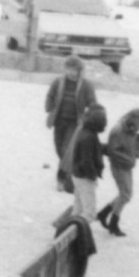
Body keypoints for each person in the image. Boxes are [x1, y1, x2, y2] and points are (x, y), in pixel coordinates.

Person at [44, 57, 97, 192]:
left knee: (66, 150)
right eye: (69, 69)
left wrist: (90, 115)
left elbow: (92, 103)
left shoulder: (86, 85)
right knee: (58, 149)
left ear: (80, 71)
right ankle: (72, 174)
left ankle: (62, 179)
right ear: (65, 69)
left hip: (75, 123)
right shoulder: (58, 82)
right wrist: (49, 107)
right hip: (59, 121)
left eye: (75, 70)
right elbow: (50, 95)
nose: (72, 73)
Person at [97, 108, 139, 238]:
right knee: (125, 195)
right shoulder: (118, 131)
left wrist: (138, 148)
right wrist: (129, 159)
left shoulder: (130, 131)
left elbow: (130, 149)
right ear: (134, 119)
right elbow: (112, 151)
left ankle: (103, 213)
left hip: (126, 166)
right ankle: (113, 224)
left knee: (126, 194)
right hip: (118, 166)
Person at [63, 104, 108, 223]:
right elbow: (86, 160)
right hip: (84, 177)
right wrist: (92, 175)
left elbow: (95, 148)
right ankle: (78, 234)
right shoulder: (89, 137)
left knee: (78, 209)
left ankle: (68, 231)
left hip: (77, 174)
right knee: (89, 213)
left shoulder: (85, 132)